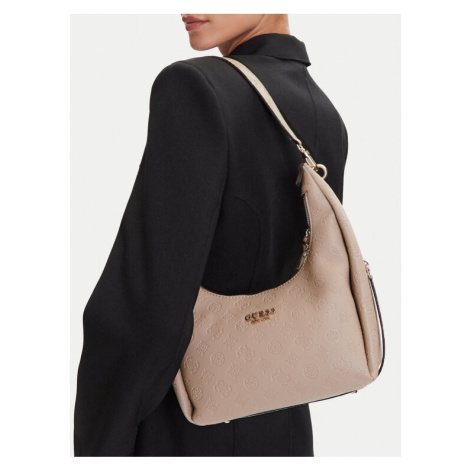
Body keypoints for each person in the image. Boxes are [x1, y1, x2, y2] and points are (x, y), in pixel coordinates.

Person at [74, 14, 348, 457]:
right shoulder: (324, 110)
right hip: (285, 423)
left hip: (184, 425)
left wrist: (100, 441)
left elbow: (147, 306)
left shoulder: (195, 88)